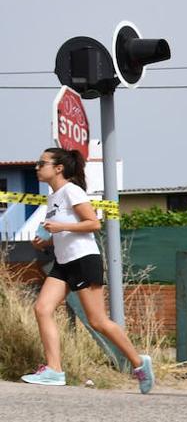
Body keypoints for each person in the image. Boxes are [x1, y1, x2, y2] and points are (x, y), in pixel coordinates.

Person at [22, 147, 155, 393]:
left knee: (98, 321)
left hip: (83, 260)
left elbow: (93, 223)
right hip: (64, 262)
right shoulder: (53, 197)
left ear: (59, 168)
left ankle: (139, 363)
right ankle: (54, 371)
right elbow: (66, 231)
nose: (37, 167)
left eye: (42, 163)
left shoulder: (72, 191)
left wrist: (59, 225)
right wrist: (47, 240)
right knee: (42, 308)